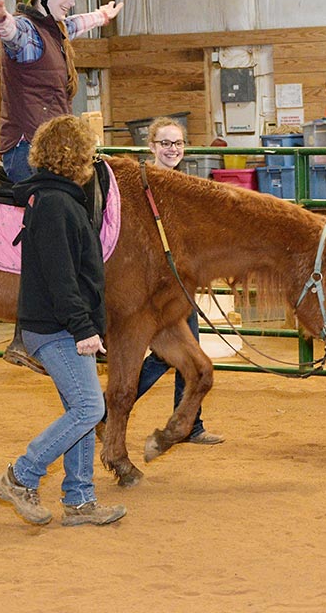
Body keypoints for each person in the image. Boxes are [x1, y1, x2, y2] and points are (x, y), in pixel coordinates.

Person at [0, 115, 126, 527]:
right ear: (75, 155)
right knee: (89, 407)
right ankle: (21, 475)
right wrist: (84, 328)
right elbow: (60, 275)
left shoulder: (59, 198)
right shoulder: (54, 204)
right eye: (89, 149)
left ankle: (80, 500)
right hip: (57, 328)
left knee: (80, 408)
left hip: (63, 324)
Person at [100, 117, 224, 445]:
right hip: (149, 287)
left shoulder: (186, 186)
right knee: (169, 353)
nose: (172, 150)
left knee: (190, 351)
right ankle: (105, 412)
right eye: (166, 144)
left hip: (180, 282)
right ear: (152, 147)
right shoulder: (140, 185)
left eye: (178, 144)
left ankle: (190, 423)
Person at [0, 0, 123, 183]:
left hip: (51, 146)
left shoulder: (55, 30)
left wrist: (102, 16)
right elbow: (14, 35)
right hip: (27, 150)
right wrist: (1, 21)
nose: (71, 2)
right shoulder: (27, 31)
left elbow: (75, 25)